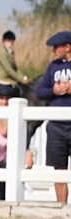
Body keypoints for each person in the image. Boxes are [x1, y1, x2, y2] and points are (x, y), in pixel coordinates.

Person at [35, 30, 71, 204]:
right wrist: (53, 91)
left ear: (67, 47)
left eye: (55, 47)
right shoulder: (53, 66)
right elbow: (39, 91)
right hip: (56, 125)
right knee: (59, 170)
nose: (53, 51)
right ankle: (61, 207)